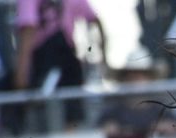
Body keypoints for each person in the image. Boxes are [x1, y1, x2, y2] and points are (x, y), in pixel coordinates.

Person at [14, 0, 108, 128]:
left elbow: (29, 30)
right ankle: (68, 135)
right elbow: (95, 20)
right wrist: (103, 55)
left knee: (41, 105)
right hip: (67, 57)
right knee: (70, 108)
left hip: (46, 59)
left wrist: (22, 71)